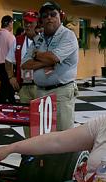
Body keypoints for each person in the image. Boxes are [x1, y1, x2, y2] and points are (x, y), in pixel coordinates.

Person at [22, 1, 78, 131]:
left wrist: (37, 56)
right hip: (40, 92)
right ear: (41, 20)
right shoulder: (40, 39)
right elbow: (24, 65)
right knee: (43, 133)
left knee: (62, 135)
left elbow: (54, 58)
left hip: (61, 92)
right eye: (45, 15)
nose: (49, 18)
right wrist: (46, 59)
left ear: (60, 17)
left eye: (53, 14)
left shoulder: (67, 35)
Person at [5, 10, 40, 137]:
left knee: (40, 118)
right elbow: (8, 61)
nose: (28, 25)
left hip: (40, 86)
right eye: (26, 22)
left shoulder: (44, 40)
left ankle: (42, 147)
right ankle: (29, 148)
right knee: (27, 119)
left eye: (31, 22)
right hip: (24, 86)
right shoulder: (18, 40)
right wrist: (11, 77)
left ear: (37, 23)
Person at [0, 15, 16, 104]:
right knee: (7, 88)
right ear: (9, 23)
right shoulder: (10, 36)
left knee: (6, 88)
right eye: (12, 23)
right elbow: (13, 53)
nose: (12, 25)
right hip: (7, 66)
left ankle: (10, 106)